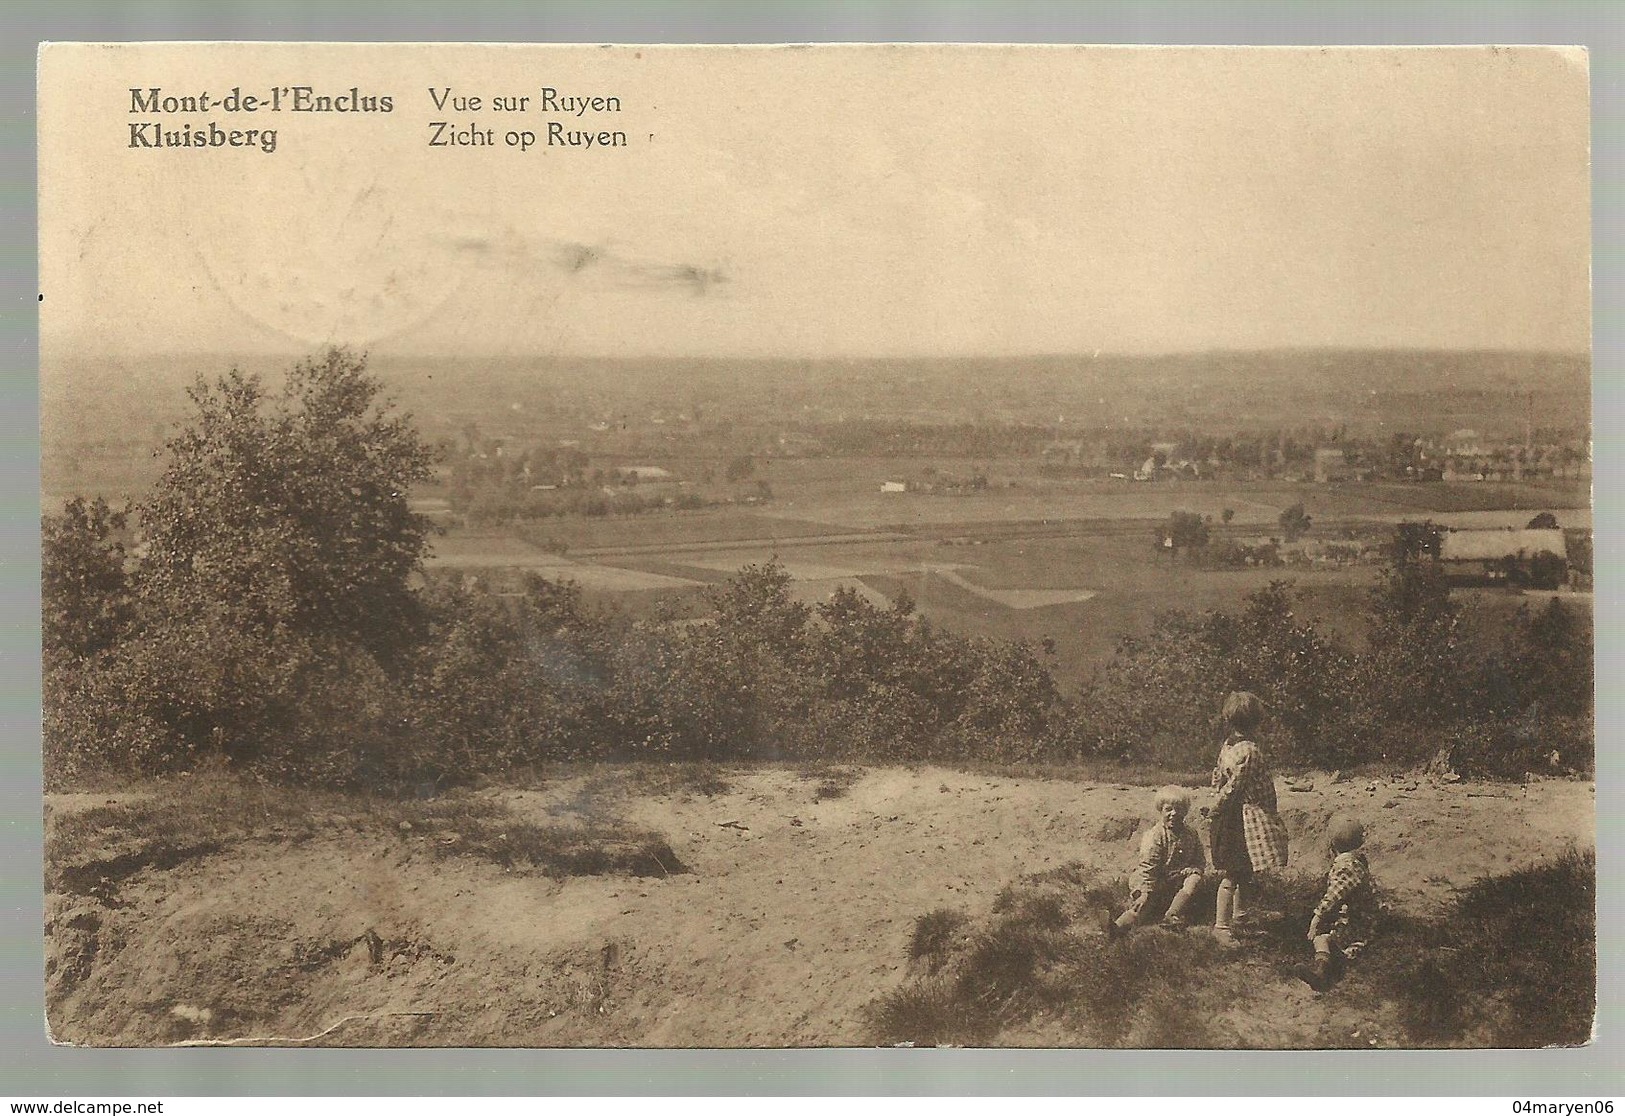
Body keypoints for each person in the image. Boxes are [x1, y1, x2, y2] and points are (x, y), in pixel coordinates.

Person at [1208, 691, 1289, 945]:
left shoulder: (1228, 746)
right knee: (1233, 873)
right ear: (1255, 723)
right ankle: (1221, 926)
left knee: (1244, 871)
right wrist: (1217, 805)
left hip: (1233, 813)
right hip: (1242, 816)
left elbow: (1218, 777)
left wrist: (1214, 798)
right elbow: (1235, 786)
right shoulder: (1250, 751)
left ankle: (1240, 917)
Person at [1106, 786, 1208, 938]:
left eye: (1179, 809)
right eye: (1168, 809)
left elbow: (1199, 860)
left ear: (1185, 812)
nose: (1174, 814)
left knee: (1194, 879)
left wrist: (1193, 868)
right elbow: (1148, 868)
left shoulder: (1190, 834)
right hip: (1153, 879)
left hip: (1176, 882)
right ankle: (1117, 927)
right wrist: (1145, 892)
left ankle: (1172, 915)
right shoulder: (1155, 836)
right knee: (1143, 907)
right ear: (1161, 810)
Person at [1300, 814, 1376, 992]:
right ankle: (1330, 960)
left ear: (1332, 843)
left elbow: (1334, 897)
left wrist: (1316, 919)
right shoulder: (1358, 860)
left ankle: (1321, 970)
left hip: (1356, 922)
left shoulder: (1345, 866)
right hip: (1365, 916)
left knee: (1321, 938)